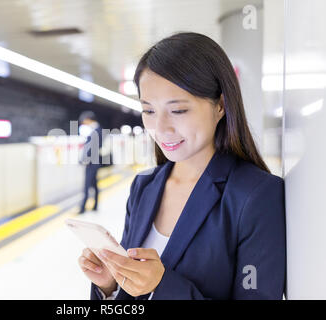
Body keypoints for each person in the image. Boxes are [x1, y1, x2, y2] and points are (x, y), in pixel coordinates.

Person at [77, 32, 286, 300]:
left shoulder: (256, 195)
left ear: (220, 105)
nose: (160, 128)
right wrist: (111, 285)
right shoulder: (144, 186)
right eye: (149, 111)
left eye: (178, 111)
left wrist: (162, 287)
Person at [78, 110, 103, 214]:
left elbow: (92, 147)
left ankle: (82, 208)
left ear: (88, 119)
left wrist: (85, 159)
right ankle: (95, 205)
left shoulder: (96, 130)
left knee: (87, 184)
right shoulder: (97, 129)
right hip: (94, 161)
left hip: (92, 162)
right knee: (94, 184)